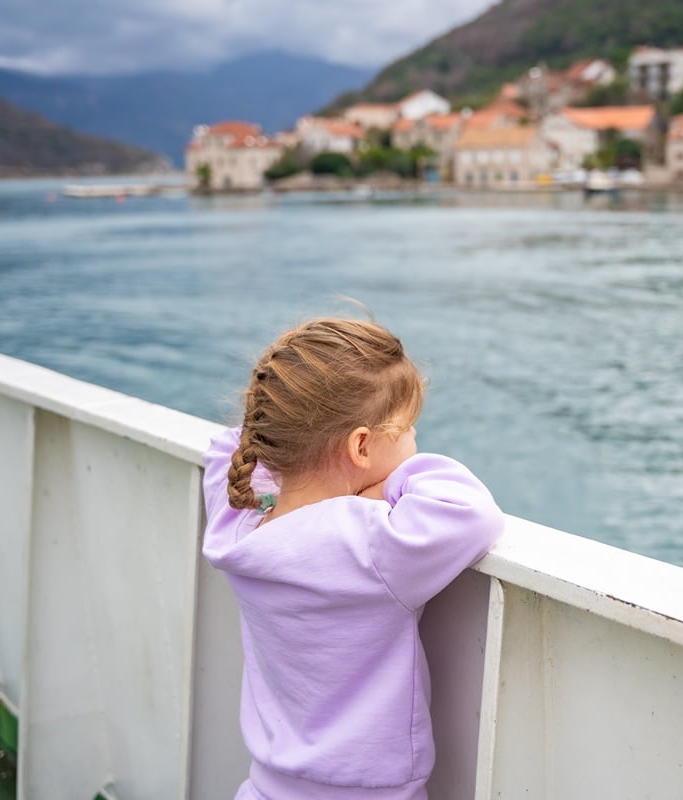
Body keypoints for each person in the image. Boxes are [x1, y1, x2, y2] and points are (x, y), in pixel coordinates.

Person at [201, 318, 504, 800]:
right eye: (407, 429)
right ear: (361, 445)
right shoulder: (367, 542)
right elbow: (472, 511)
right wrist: (392, 484)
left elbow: (228, 445)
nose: (414, 439)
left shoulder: (235, 520)